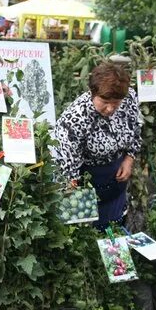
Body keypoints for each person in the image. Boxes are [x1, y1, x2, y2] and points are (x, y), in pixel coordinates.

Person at [50, 62, 142, 228]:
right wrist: (77, 214)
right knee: (88, 239)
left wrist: (129, 159)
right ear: (93, 93)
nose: (110, 108)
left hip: (116, 184)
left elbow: (136, 129)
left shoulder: (129, 99)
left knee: (115, 234)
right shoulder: (75, 119)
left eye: (116, 103)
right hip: (86, 186)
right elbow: (69, 173)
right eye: (105, 101)